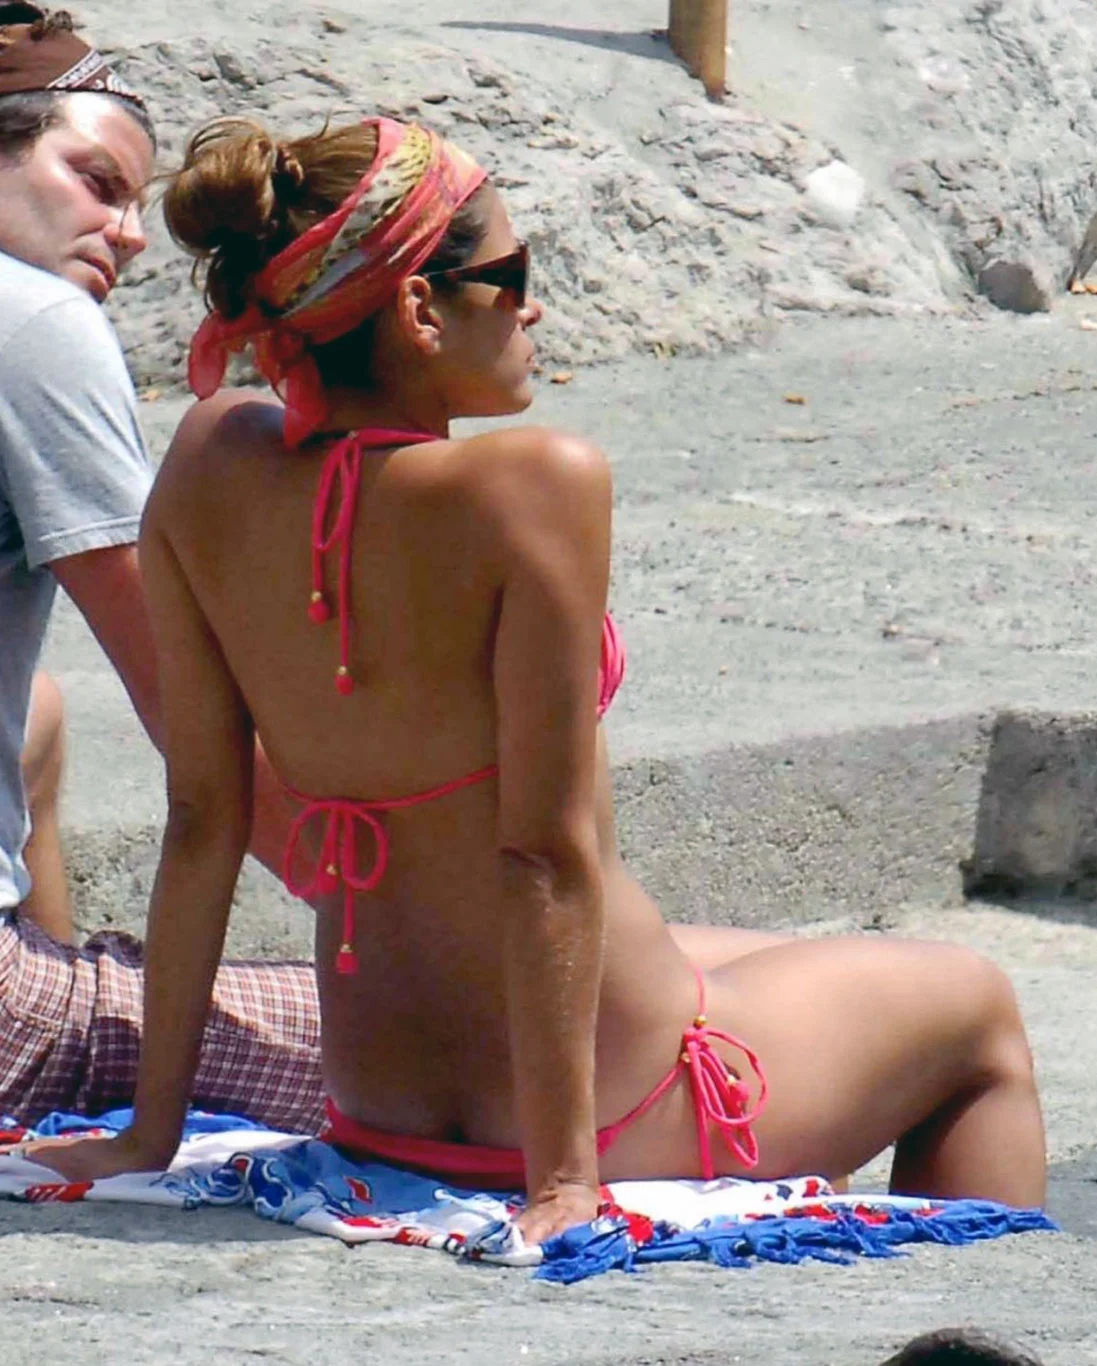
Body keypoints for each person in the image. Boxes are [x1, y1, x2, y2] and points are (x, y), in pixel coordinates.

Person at [16, 112, 1046, 1245]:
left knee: (734, 947)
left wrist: (147, 1135)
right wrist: (563, 1182)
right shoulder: (531, 484)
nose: (532, 309)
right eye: (512, 277)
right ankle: (979, 1302)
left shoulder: (209, 456)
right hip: (604, 1106)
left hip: (372, 1090)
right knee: (973, 1004)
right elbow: (541, 852)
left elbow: (202, 820)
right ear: (419, 309)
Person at [0, 3, 322, 1130]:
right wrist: (405, 923)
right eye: (97, 182)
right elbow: (186, 702)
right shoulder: (32, 320)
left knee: (37, 716)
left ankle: (49, 1003)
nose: (130, 233)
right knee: (449, 1048)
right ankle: (44, 1052)